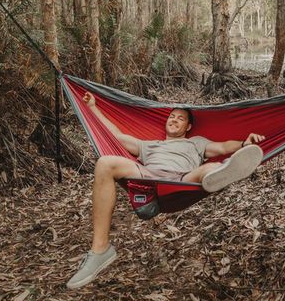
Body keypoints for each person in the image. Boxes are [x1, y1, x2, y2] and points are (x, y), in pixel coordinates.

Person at [67, 91, 265, 289]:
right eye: (172, 116)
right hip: (147, 179)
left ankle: (223, 172)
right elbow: (116, 136)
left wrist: (243, 144)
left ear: (188, 127)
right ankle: (100, 249)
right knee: (105, 163)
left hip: (182, 180)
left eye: (180, 118)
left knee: (210, 168)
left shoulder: (196, 143)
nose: (174, 120)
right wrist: (93, 107)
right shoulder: (149, 145)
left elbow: (222, 147)